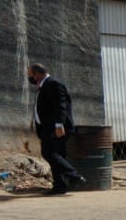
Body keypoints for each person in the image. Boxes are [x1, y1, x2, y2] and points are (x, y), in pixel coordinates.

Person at [27, 63, 86, 195]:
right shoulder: (43, 87)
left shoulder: (53, 84)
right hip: (47, 127)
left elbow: (61, 105)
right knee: (57, 155)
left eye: (30, 75)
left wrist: (59, 125)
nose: (29, 78)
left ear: (37, 74)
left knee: (49, 153)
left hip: (56, 128)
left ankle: (74, 176)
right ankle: (60, 185)